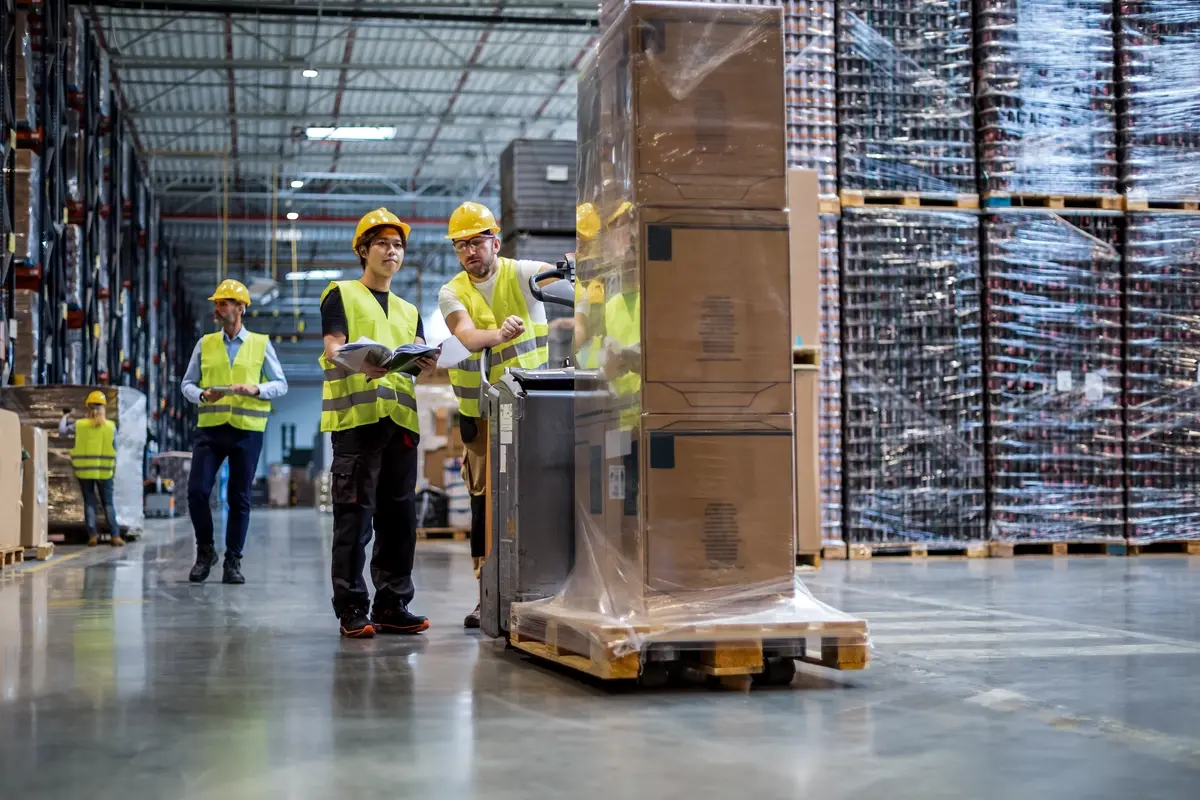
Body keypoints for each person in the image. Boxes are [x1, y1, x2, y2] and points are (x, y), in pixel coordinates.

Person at [437, 201, 556, 629]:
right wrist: (498, 334)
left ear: (495, 241)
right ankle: (484, 594)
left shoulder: (522, 273)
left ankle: (543, 588)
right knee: (485, 504)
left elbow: (562, 279)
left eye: (477, 241)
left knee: (536, 496)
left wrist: (576, 267)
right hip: (482, 417)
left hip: (531, 412)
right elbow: (467, 336)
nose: (470, 251)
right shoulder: (451, 291)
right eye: (461, 245)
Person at [320, 208, 438, 639]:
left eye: (398, 245)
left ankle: (392, 603)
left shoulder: (409, 309)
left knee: (399, 517)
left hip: (401, 422)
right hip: (357, 421)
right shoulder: (342, 293)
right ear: (363, 250)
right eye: (383, 243)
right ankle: (352, 606)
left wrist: (426, 360)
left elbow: (419, 357)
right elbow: (333, 347)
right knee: (355, 516)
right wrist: (359, 362)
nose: (392, 251)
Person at [181, 279, 289, 585]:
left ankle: (233, 561)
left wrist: (256, 388)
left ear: (241, 308)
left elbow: (280, 384)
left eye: (224, 303)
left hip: (247, 432)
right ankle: (206, 552)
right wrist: (202, 395)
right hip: (211, 430)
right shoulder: (205, 344)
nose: (218, 308)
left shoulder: (260, 343)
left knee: (239, 497)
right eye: (217, 303)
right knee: (197, 491)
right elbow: (187, 384)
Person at [64, 391, 122, 547]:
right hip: (105, 472)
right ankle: (115, 536)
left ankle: (92, 536)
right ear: (103, 408)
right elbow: (116, 448)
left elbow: (62, 431)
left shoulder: (80, 425)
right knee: (108, 504)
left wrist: (65, 416)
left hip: (84, 471)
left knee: (89, 503)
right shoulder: (111, 427)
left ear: (88, 408)